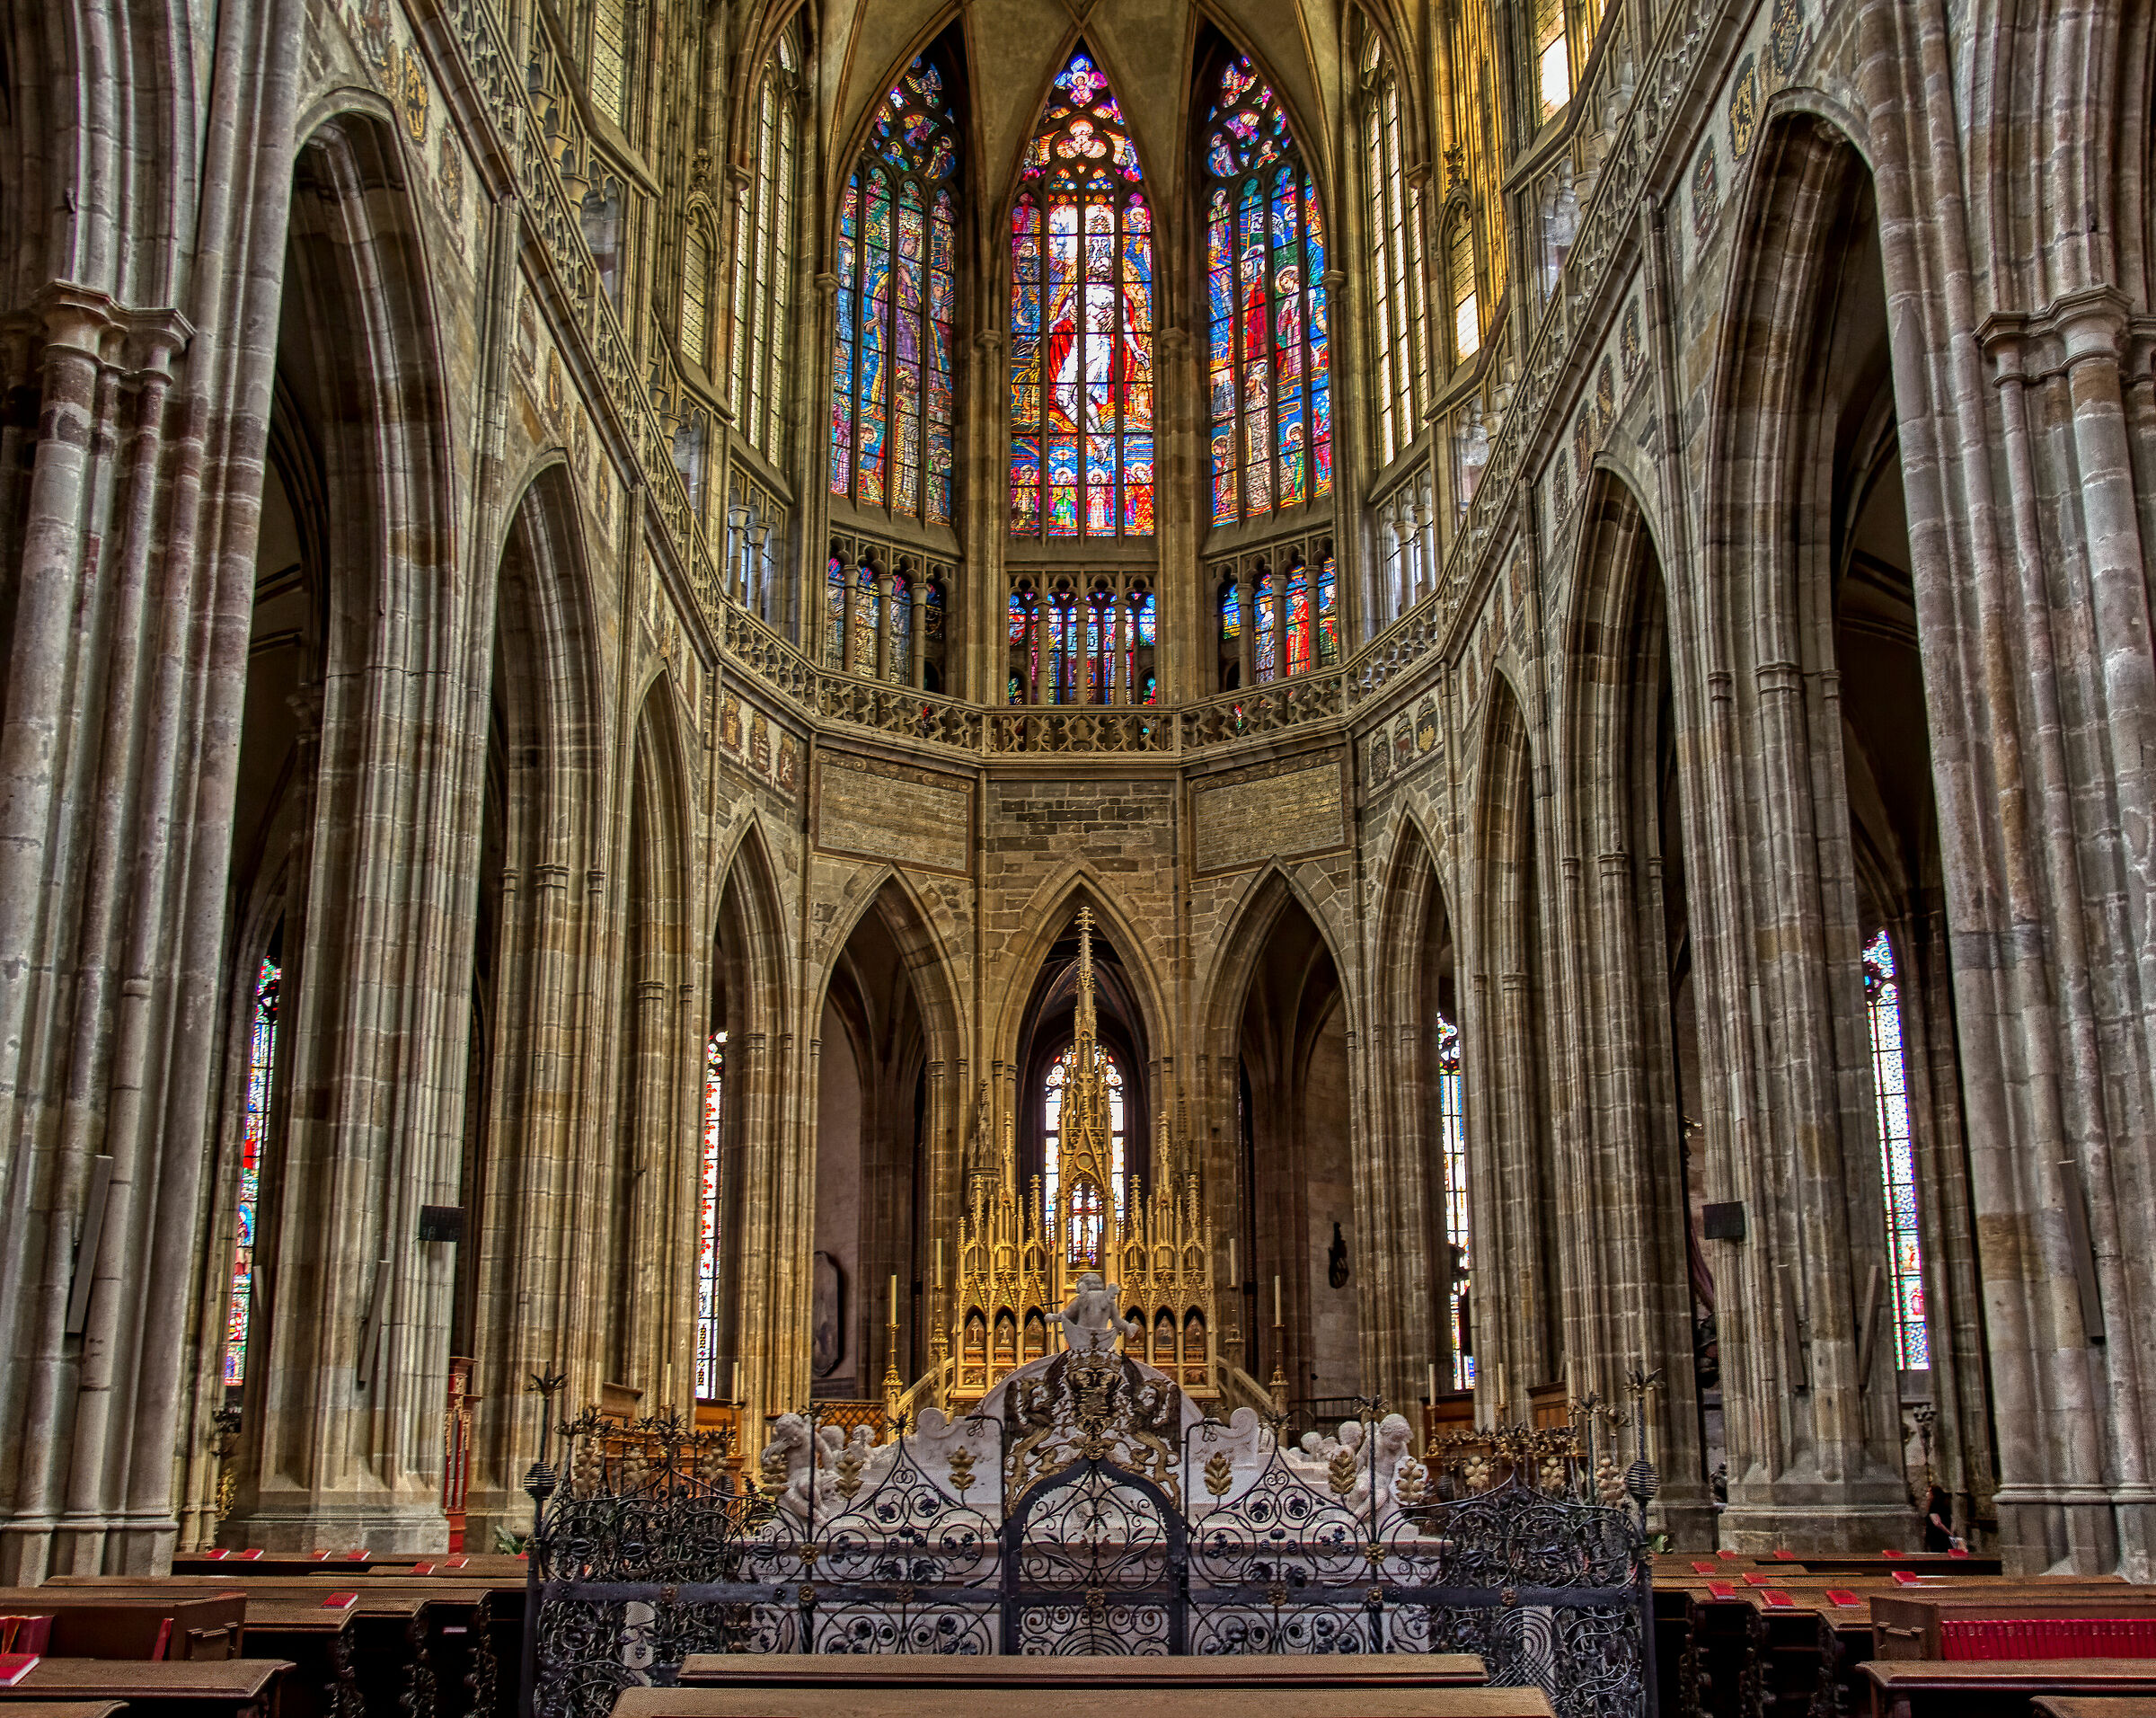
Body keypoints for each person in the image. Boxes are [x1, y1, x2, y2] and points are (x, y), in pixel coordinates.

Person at [1922, 1483, 1962, 1552]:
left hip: (1936, 1536)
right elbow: (1952, 1520)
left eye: (1929, 1491)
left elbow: (1937, 1523)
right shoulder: (1945, 1506)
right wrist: (1951, 1532)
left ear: (1933, 1494)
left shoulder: (1933, 1507)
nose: (1927, 1494)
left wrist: (1950, 1533)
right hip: (1943, 1536)